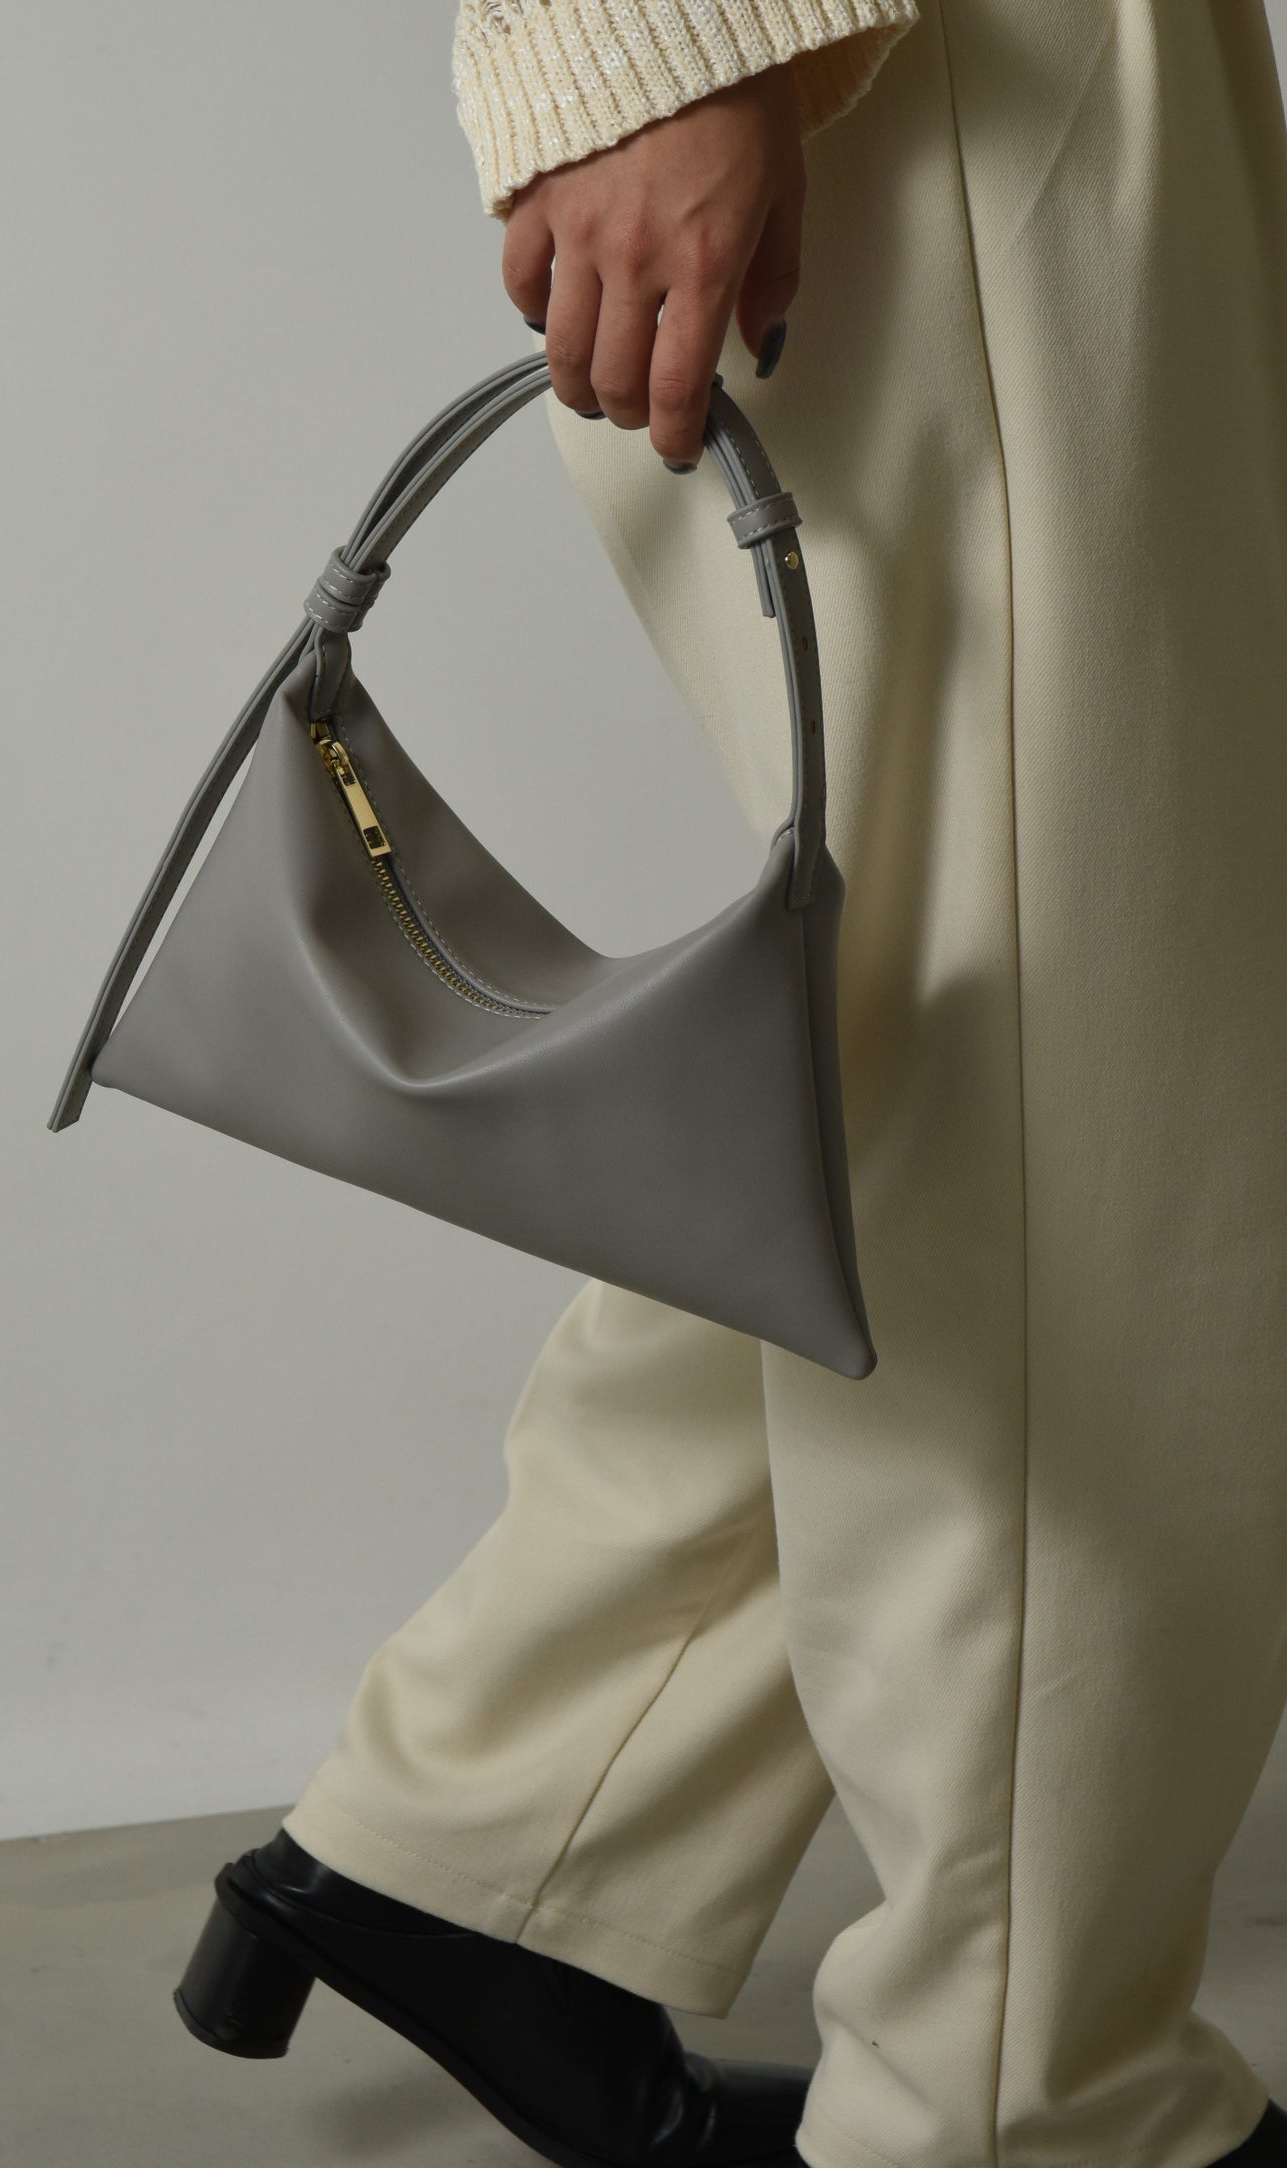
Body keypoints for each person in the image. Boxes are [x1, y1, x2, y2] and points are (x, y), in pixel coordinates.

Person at [175, 5, 1287, 2164]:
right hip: (915, 62)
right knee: (1082, 1160)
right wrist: (665, 38)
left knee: (1009, 1054)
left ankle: (500, 1828)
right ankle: (1012, 2107)